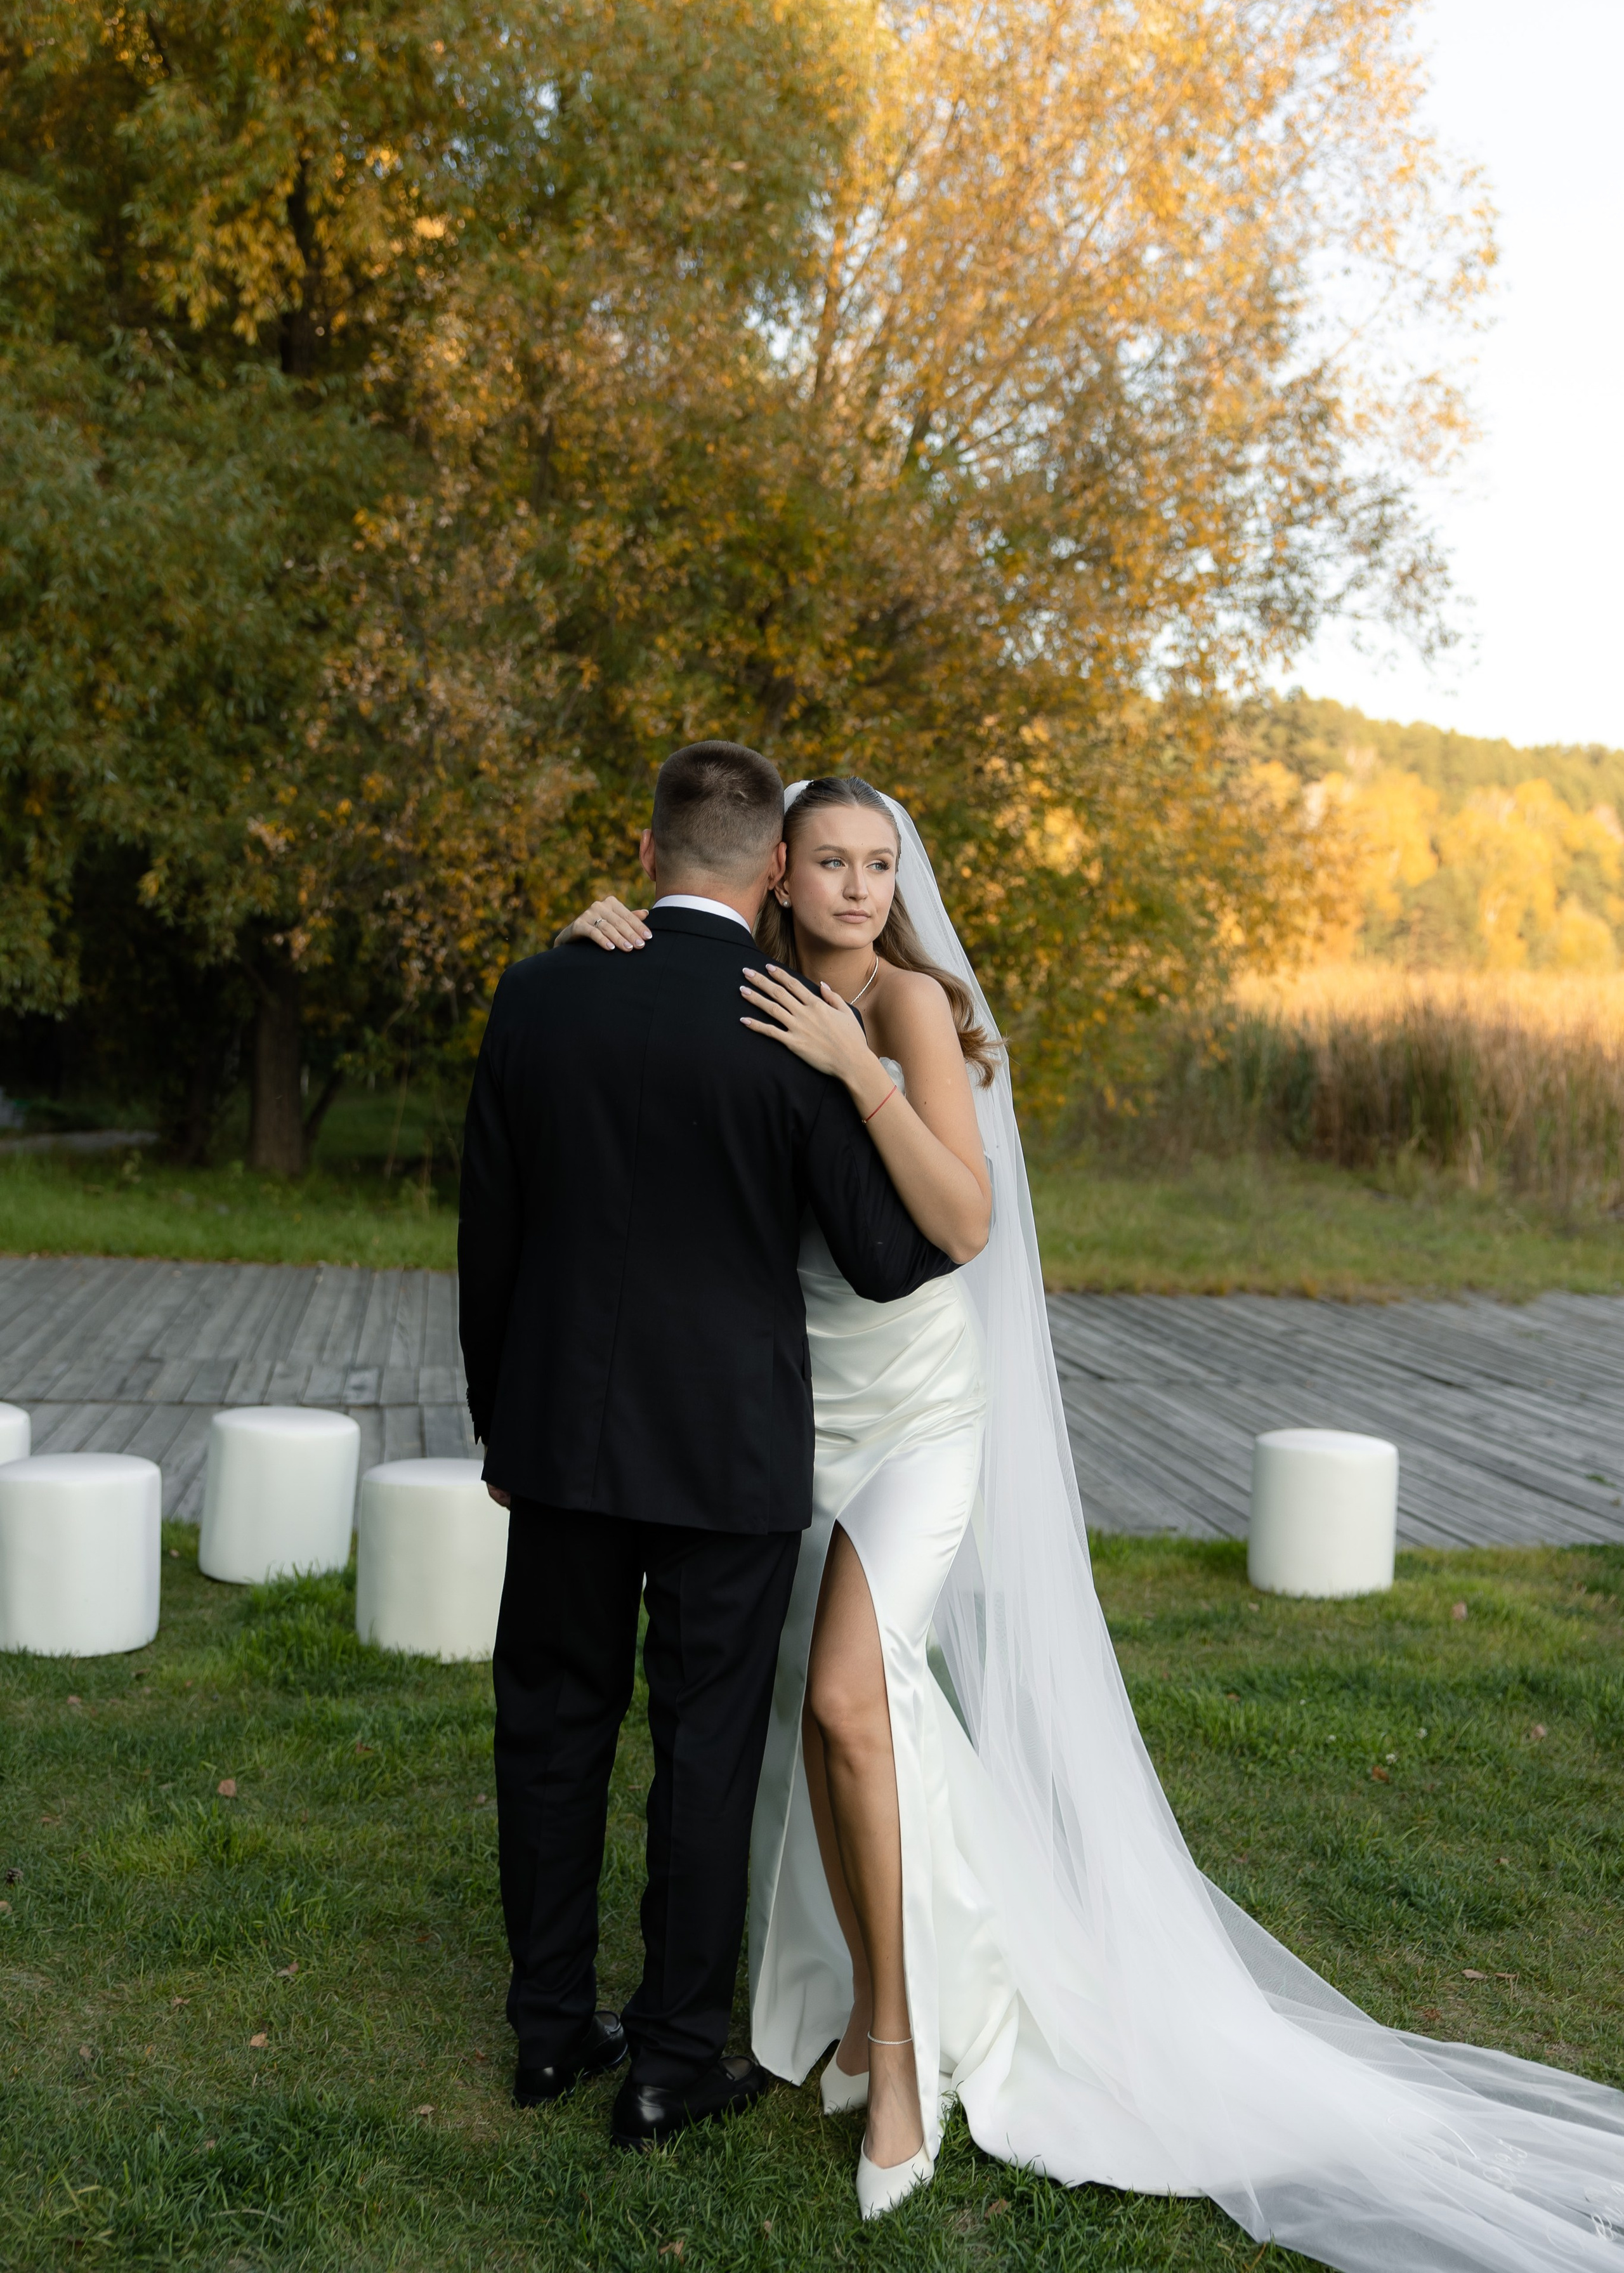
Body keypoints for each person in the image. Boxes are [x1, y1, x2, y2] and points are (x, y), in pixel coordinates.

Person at [563, 773, 1624, 2264]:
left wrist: (855, 1064)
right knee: (826, 1731)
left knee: (851, 1704)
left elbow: (963, 1221)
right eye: (832, 865)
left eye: (881, 865)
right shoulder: (741, 981)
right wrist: (605, 929)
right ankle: (859, 2007)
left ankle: (903, 2062)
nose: (862, 889)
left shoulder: (909, 1006)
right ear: (777, 877)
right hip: (793, 1421)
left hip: (920, 1420)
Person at [457, 742, 957, 2154]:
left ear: (647, 849)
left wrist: (503, 1422)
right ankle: (675, 2060)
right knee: (704, 1745)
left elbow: (485, 1232)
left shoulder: (540, 990)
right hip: (728, 1449)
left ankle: (549, 2032)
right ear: (772, 872)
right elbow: (877, 1258)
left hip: (556, 1434)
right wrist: (867, 1096)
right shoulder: (790, 1020)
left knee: (551, 1731)